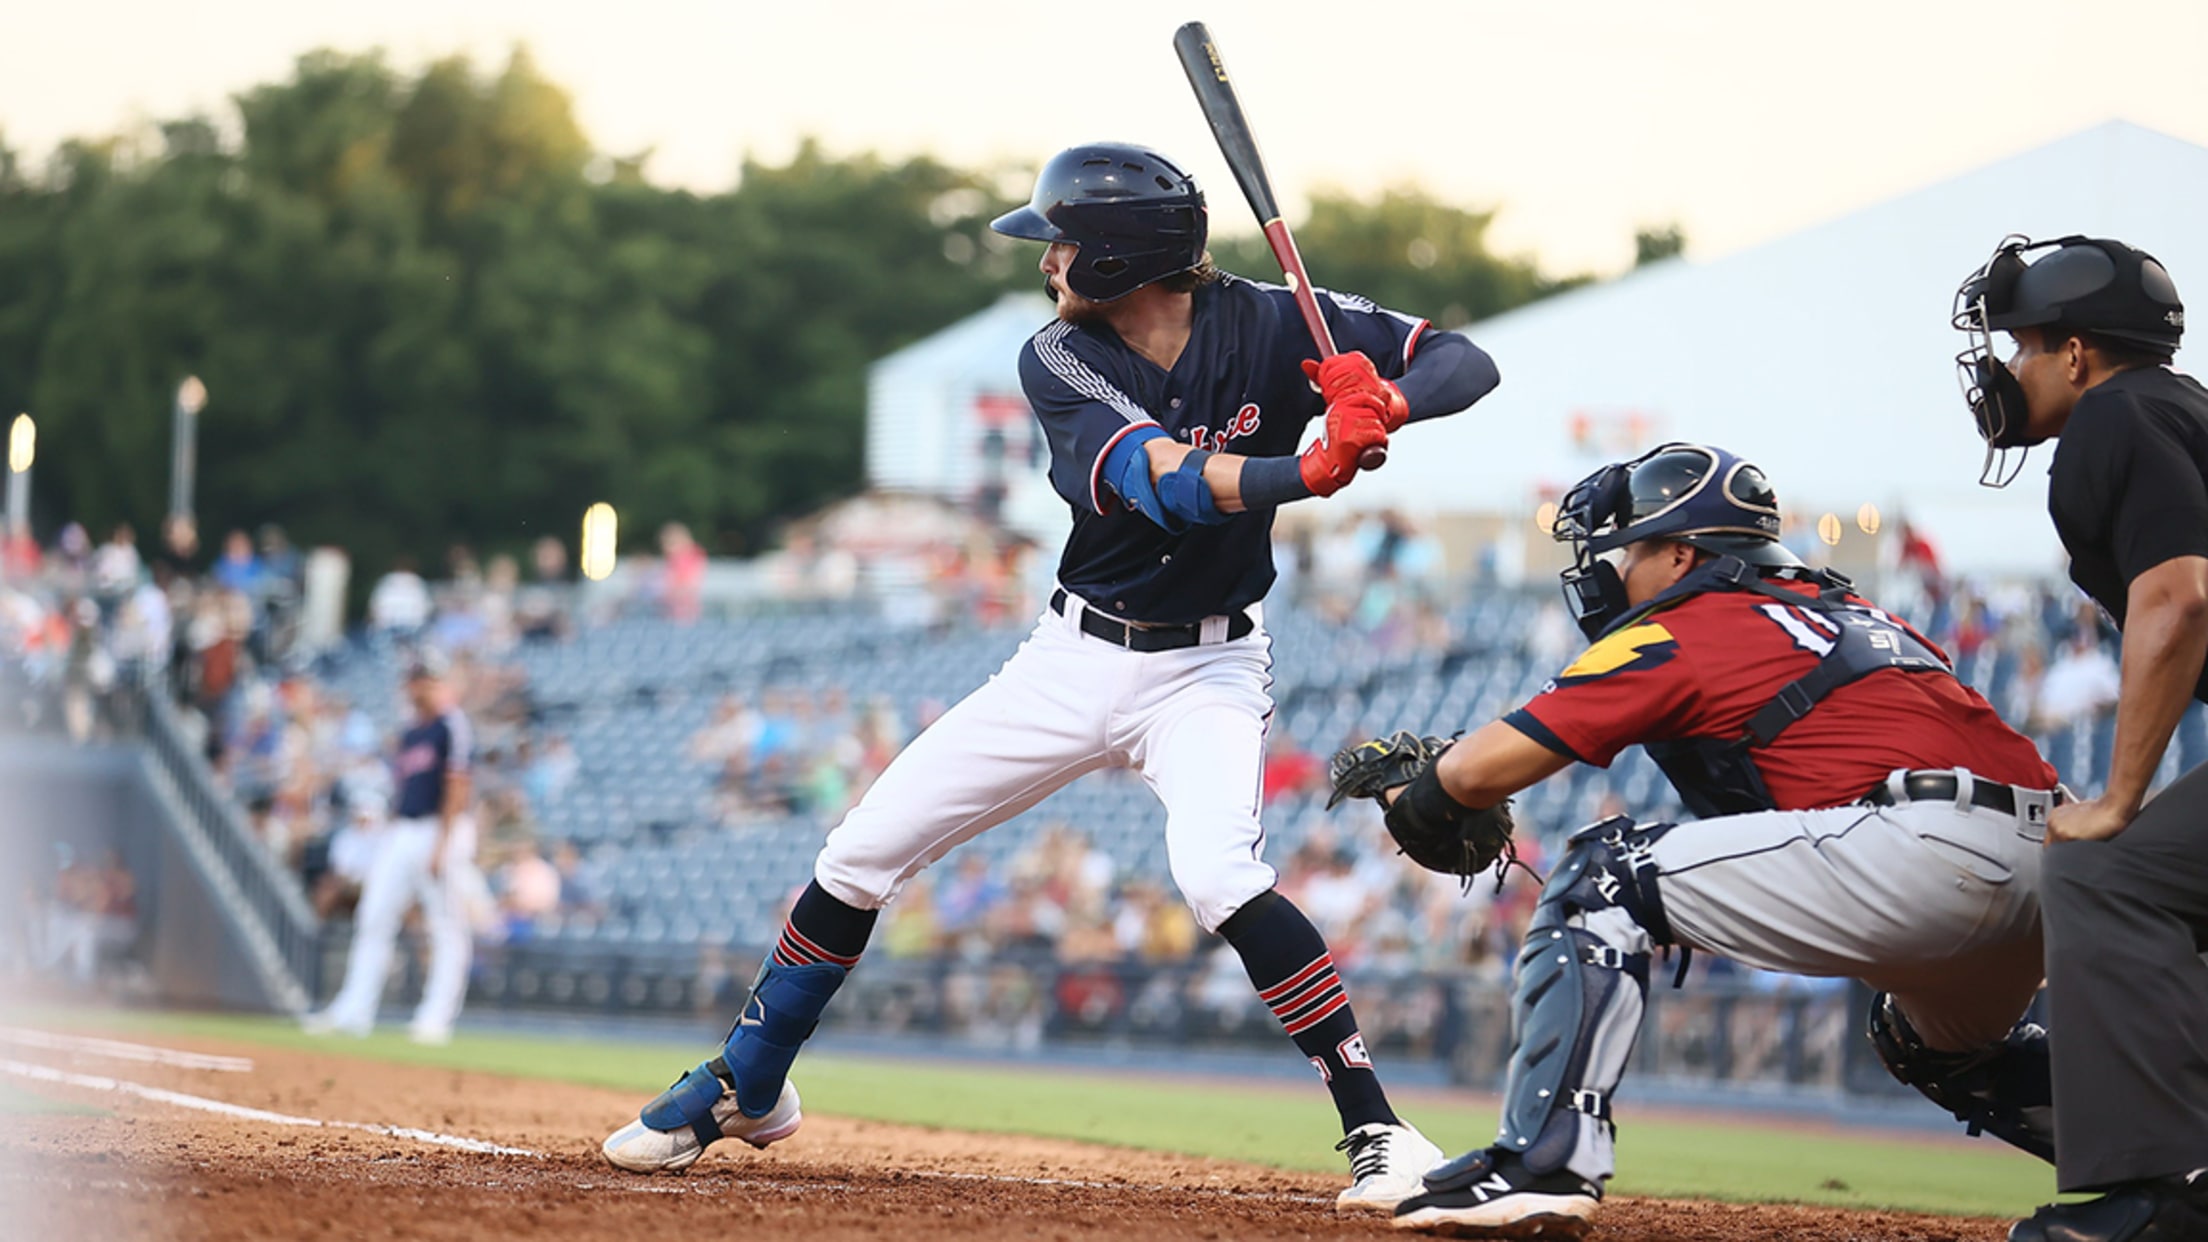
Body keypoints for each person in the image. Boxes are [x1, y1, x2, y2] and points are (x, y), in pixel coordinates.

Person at [600, 140, 1501, 1211]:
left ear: (1121, 256)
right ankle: (750, 1084)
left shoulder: (1270, 320)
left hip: (1207, 667)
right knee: (859, 853)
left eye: (1063, 244)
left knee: (1218, 875)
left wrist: (1386, 400)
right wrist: (1310, 466)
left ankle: (1379, 1127)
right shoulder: (1059, 356)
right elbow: (1163, 481)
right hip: (1072, 659)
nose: (1047, 262)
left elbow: (1462, 360)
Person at [1337, 443, 2062, 1237]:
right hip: (2054, 867)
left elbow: (1472, 775)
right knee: (1935, 1045)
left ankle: (1544, 1163)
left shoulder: (1691, 621)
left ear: (1682, 554)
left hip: (1926, 855)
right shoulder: (1862, 614)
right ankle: (2151, 1173)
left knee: (1601, 877)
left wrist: (1415, 794)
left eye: (1630, 551)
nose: (1614, 570)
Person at [1951, 235, 2208, 1242]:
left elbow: (2179, 600)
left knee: (2110, 874)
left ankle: (2169, 1197)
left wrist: (2118, 799)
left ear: (2074, 354)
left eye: (2023, 347)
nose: (2009, 369)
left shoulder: (2115, 414)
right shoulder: (2179, 408)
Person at [304, 652, 477, 1044]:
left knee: (446, 926)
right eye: (415, 680)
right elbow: (405, 789)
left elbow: (458, 785)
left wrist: (442, 845)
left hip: (441, 828)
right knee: (373, 915)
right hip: (405, 829)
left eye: (424, 680)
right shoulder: (412, 732)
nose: (417, 687)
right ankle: (353, 1012)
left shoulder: (451, 725)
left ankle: (435, 1018)